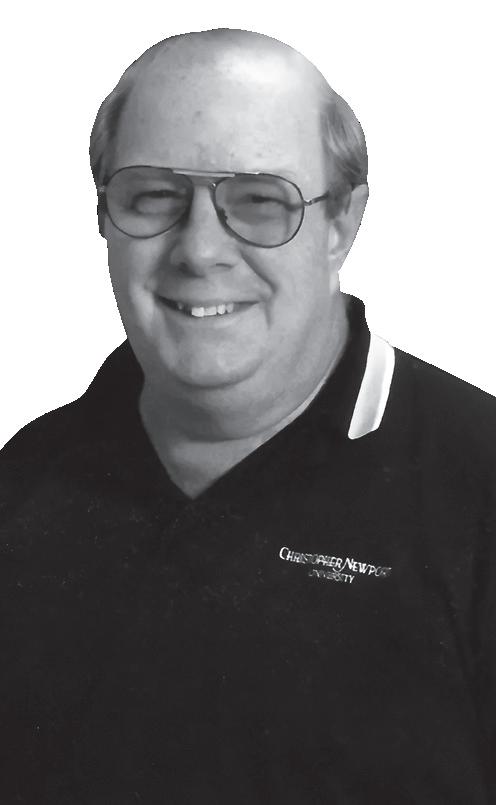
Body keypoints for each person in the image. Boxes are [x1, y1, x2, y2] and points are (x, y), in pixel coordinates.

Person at [0, 28, 494, 805]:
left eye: (261, 201)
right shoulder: (24, 479)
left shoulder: (480, 486)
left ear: (343, 223)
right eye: (154, 196)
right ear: (103, 217)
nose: (200, 250)